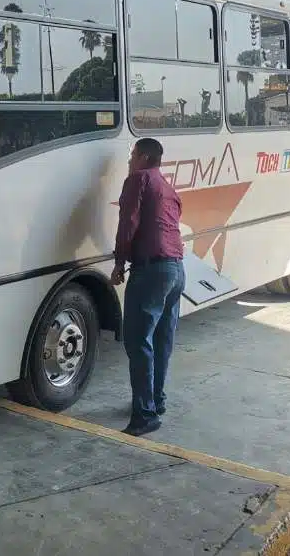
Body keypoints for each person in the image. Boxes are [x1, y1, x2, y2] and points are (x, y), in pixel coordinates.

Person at [111, 137, 185, 437]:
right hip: (176, 269)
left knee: (137, 340)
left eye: (132, 155)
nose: (129, 161)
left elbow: (128, 222)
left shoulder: (137, 180)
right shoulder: (167, 186)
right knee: (162, 339)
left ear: (142, 157)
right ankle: (156, 401)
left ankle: (145, 414)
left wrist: (119, 262)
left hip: (152, 271)